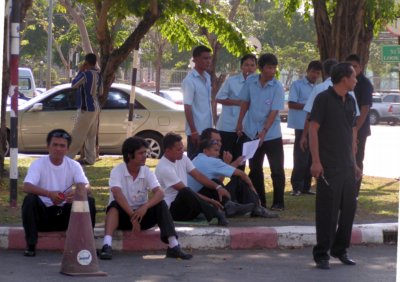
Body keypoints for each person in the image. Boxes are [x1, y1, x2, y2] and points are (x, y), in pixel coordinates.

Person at [99, 137, 192, 260]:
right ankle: (106, 245)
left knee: (161, 204)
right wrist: (133, 216)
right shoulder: (118, 170)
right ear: (129, 155)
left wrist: (145, 207)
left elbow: (160, 193)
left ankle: (174, 245)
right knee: (114, 206)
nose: (145, 156)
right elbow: (117, 193)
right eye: (141, 153)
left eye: (145, 153)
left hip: (141, 216)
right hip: (123, 217)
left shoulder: (146, 171)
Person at [309, 62, 362, 270]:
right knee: (327, 211)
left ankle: (341, 250)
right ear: (343, 79)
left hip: (347, 165)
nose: (356, 79)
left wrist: (355, 163)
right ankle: (322, 254)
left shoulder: (349, 100)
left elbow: (351, 133)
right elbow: (313, 129)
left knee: (349, 208)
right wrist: (315, 161)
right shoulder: (323, 99)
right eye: (353, 76)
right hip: (328, 165)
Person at [22, 129, 96, 257]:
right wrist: (49, 194)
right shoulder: (38, 164)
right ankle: (31, 245)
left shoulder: (74, 165)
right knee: (30, 199)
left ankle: (85, 244)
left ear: (67, 149)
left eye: (62, 146)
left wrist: (76, 192)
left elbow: (87, 187)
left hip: (65, 214)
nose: (58, 148)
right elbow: (26, 186)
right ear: (48, 147)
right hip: (43, 215)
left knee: (88, 200)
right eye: (54, 145)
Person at [155, 133, 252, 226]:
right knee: (185, 191)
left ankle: (229, 206)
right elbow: (185, 190)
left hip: (189, 201)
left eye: (182, 148)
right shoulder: (164, 168)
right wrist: (210, 201)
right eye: (178, 149)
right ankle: (215, 213)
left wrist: (218, 187)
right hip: (175, 210)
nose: (182, 151)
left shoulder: (182, 158)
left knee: (214, 182)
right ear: (167, 151)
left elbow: (198, 176)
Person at [188, 128, 278, 218]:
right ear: (206, 148)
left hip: (197, 199)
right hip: (201, 200)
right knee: (238, 179)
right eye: (215, 141)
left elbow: (218, 181)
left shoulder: (197, 158)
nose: (219, 144)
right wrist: (254, 192)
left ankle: (237, 206)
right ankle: (256, 207)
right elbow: (242, 174)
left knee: (219, 182)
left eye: (220, 141)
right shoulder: (211, 161)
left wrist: (231, 163)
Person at [235, 53, 286, 211]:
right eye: (269, 67)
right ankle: (260, 201)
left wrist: (264, 131)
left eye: (274, 68)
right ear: (261, 68)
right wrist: (239, 123)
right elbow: (245, 102)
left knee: (276, 169)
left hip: (271, 135)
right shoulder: (251, 81)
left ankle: (278, 202)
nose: (272, 71)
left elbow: (274, 112)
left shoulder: (278, 87)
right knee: (255, 168)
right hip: (251, 132)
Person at [287, 60, 322, 196]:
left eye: (318, 73)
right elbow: (291, 104)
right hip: (301, 126)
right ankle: (296, 187)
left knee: (310, 158)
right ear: (307, 71)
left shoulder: (319, 87)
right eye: (313, 71)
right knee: (300, 157)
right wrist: (310, 106)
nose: (315, 75)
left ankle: (306, 187)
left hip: (315, 126)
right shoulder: (297, 85)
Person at [216, 54, 257, 163]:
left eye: (252, 65)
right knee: (224, 159)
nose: (249, 68)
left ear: (256, 68)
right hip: (228, 127)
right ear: (241, 67)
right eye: (246, 65)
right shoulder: (232, 81)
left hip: (246, 128)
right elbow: (219, 98)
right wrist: (239, 103)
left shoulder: (258, 83)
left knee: (240, 160)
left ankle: (237, 180)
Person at [345, 54, 374, 197]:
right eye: (349, 66)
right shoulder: (343, 82)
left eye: (355, 66)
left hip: (360, 129)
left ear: (360, 68)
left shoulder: (365, 84)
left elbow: (365, 108)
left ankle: (354, 192)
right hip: (344, 128)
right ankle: (344, 191)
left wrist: (356, 128)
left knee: (357, 159)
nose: (352, 69)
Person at [67, 53, 103, 165]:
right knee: (91, 135)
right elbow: (101, 92)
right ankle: (90, 158)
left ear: (86, 62)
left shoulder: (85, 74)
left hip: (86, 107)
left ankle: (67, 158)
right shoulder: (99, 75)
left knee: (77, 134)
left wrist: (81, 71)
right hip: (95, 106)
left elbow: (73, 84)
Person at [182, 45, 213, 159]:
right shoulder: (189, 81)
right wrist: (194, 131)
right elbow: (187, 107)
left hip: (208, 130)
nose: (208, 61)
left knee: (207, 164)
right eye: (205, 58)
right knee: (195, 164)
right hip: (196, 131)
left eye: (209, 58)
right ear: (195, 59)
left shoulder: (207, 77)